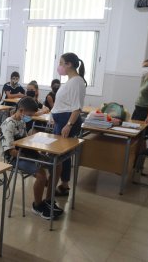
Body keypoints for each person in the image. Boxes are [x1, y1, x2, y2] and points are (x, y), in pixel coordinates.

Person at [0, 97, 63, 220]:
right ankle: (37, 205)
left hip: (26, 153)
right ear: (21, 110)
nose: (30, 117)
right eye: (29, 115)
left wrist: (36, 147)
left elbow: (24, 141)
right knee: (41, 174)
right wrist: (34, 159)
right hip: (15, 157)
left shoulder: (22, 121)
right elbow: (11, 151)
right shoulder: (8, 124)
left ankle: (49, 199)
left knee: (57, 164)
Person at [51, 52, 87, 196]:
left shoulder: (76, 82)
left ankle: (64, 184)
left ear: (69, 64)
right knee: (60, 154)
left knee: (62, 155)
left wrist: (69, 125)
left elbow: (76, 108)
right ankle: (60, 183)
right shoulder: (72, 81)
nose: (59, 66)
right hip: (62, 120)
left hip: (67, 122)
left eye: (61, 63)